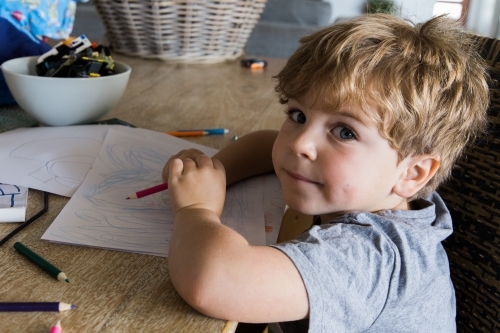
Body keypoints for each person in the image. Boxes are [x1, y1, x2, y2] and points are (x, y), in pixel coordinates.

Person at [162, 13, 490, 332]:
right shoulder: (388, 186)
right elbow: (268, 143)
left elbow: (215, 280)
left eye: (344, 132)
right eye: (299, 115)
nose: (301, 143)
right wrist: (212, 173)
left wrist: (196, 209)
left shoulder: (370, 257)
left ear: (414, 173)